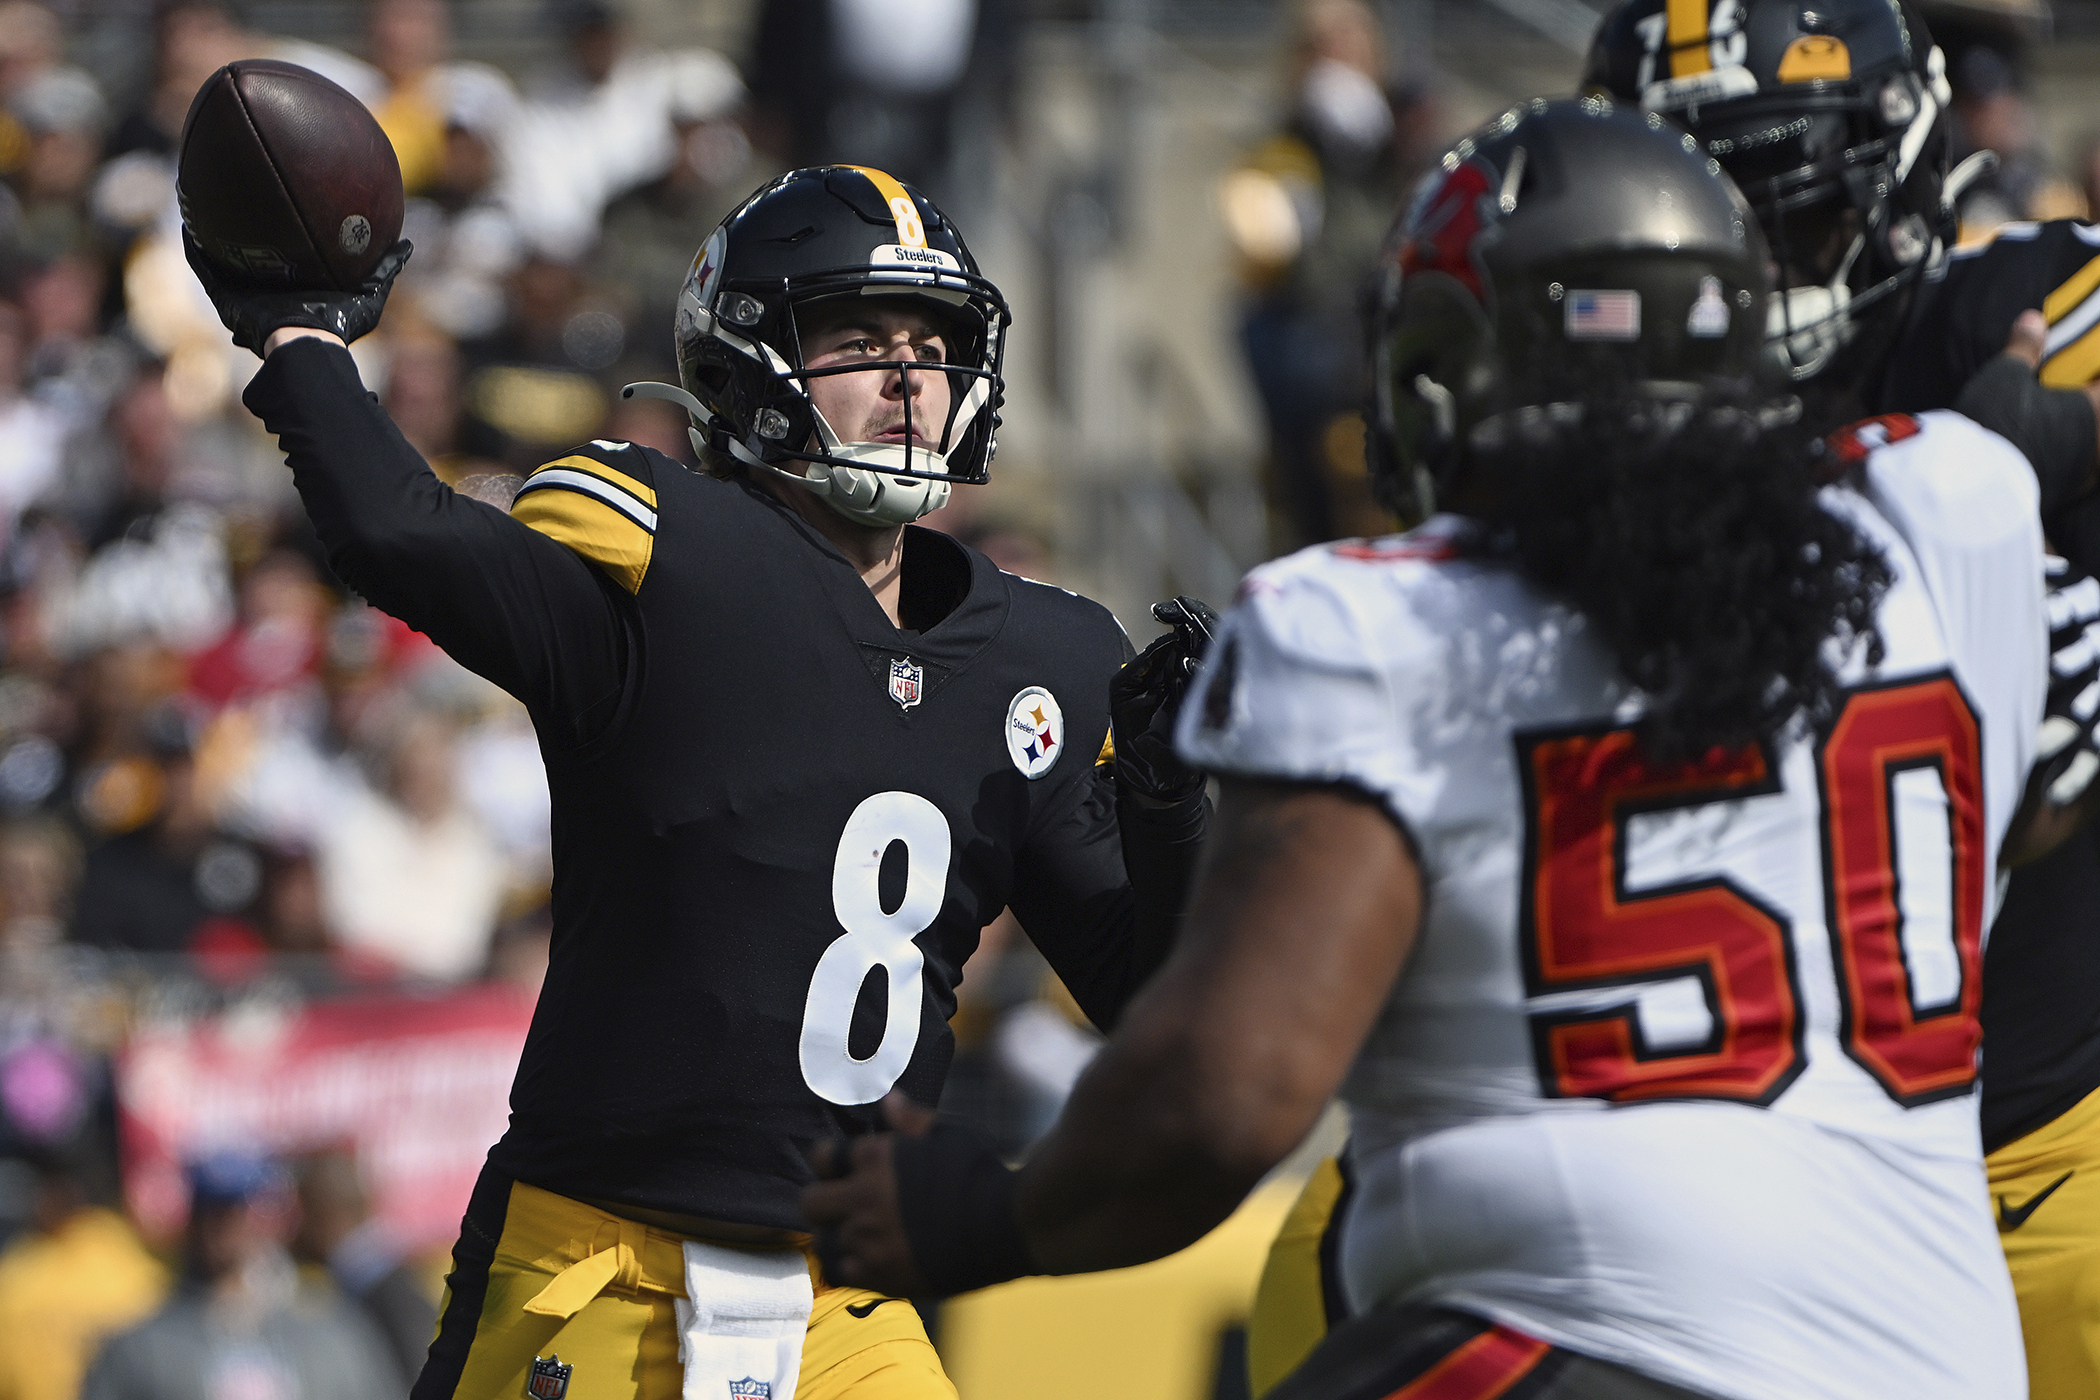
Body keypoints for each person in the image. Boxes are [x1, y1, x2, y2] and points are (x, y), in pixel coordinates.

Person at [802, 99, 2049, 1400]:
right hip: (1942, 1352)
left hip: (1580, 1341)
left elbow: (1226, 1098)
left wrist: (984, 1219)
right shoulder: (1954, 512)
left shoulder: (1372, 620)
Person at [185, 163, 1211, 1400]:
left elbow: (1151, 1004)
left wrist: (1168, 809)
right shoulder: (665, 554)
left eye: (931, 343)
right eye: (859, 337)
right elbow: (401, 532)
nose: (907, 377)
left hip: (855, 1300)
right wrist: (300, 335)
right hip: (599, 1262)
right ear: (747, 363)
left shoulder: (1047, 655)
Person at [1581, 4, 2100, 1394]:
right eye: (1699, 215)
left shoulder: (2012, 307)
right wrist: (1968, 478)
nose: (1743, 265)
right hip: (1744, 1188)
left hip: (2057, 1146)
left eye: (1786, 212)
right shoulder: (1592, 438)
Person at [80, 1151, 394, 1400]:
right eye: (214, 1210)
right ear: (193, 1220)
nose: (228, 1225)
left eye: (242, 1209)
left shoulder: (328, 1334)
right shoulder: (143, 1348)